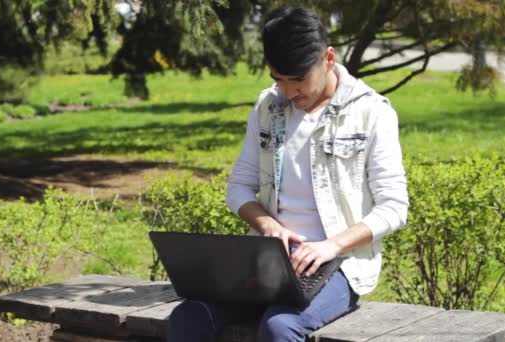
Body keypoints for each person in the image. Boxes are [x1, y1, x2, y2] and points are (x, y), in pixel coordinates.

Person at [167, 6, 409, 342]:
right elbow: (239, 188)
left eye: (298, 80)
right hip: (267, 262)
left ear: (328, 58)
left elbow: (394, 207)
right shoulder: (268, 107)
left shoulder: (372, 112)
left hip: (338, 265)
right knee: (189, 317)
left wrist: (330, 246)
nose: (288, 91)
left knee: (280, 326)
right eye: (278, 79)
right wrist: (268, 226)